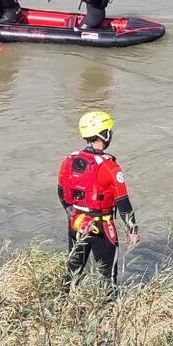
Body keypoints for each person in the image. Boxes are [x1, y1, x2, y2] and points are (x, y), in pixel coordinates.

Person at [57, 111, 140, 292]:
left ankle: (60, 305)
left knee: (73, 271)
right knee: (107, 275)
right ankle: (109, 312)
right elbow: (123, 203)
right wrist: (132, 229)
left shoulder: (68, 160)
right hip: (102, 228)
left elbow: (62, 194)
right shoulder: (110, 167)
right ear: (105, 135)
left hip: (76, 223)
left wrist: (72, 214)